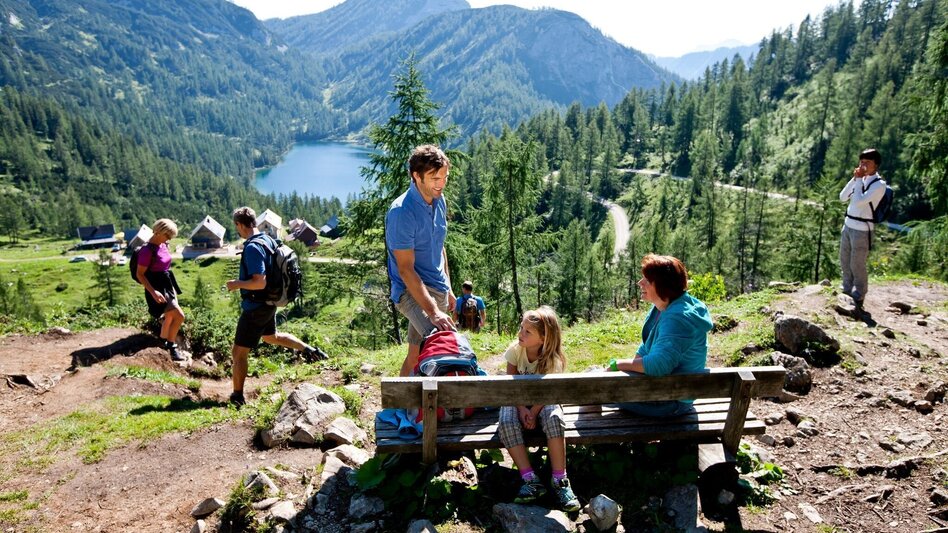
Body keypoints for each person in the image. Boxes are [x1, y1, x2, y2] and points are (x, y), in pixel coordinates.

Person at [226, 206, 327, 407]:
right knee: (271, 337)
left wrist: (237, 284)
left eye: (236, 226)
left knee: (238, 353)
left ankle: (237, 396)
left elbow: (259, 282)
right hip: (269, 302)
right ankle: (310, 350)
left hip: (257, 306)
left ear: (239, 224)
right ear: (254, 222)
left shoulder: (253, 248)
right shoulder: (267, 239)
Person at [497, 306, 581, 512]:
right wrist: (521, 408)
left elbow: (549, 393)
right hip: (515, 398)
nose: (520, 334)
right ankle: (530, 479)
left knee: (554, 418)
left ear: (543, 339)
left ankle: (560, 480)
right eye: (521, 328)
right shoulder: (516, 351)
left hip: (544, 400)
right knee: (506, 422)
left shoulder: (551, 360)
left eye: (527, 331)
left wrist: (533, 411)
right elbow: (510, 384)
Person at [609, 254, 713, 417]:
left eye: (647, 280)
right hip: (664, 389)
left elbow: (659, 365)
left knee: (590, 388)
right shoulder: (665, 305)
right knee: (596, 379)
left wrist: (618, 365)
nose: (640, 283)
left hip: (671, 401)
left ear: (664, 286)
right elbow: (647, 346)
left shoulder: (678, 317)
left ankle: (590, 430)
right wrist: (629, 374)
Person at [385, 145, 456, 377]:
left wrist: (449, 288)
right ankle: (425, 408)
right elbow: (405, 270)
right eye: (435, 178)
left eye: (445, 177)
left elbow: (439, 246)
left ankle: (400, 404)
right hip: (410, 291)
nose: (441, 183)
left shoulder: (439, 200)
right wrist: (434, 311)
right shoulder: (401, 212)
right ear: (416, 176)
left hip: (437, 288)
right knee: (436, 345)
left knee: (416, 355)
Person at [839, 148, 887, 308]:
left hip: (862, 229)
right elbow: (842, 197)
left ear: (876, 165)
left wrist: (859, 180)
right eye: (861, 161)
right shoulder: (860, 179)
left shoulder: (879, 185)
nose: (863, 165)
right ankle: (846, 289)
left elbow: (860, 201)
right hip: (848, 225)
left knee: (857, 263)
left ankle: (859, 294)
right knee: (844, 259)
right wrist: (854, 179)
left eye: (867, 162)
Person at [136, 218, 187, 362]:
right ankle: (172, 347)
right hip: (156, 287)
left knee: (170, 316)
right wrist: (153, 292)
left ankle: (162, 343)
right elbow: (140, 274)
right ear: (158, 232)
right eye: (168, 235)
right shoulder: (146, 251)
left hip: (167, 284)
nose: (169, 239)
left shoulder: (163, 244)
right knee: (179, 316)